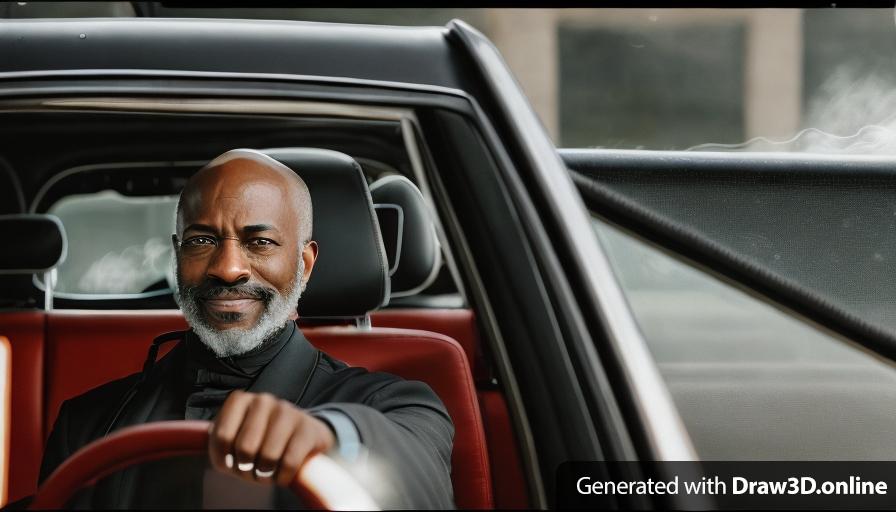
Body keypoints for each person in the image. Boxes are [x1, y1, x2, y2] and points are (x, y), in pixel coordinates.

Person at [34, 149, 455, 509]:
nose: (228, 269)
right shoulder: (88, 423)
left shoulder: (393, 405)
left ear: (304, 265)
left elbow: (414, 474)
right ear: (177, 256)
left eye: (260, 242)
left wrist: (327, 437)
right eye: (201, 241)